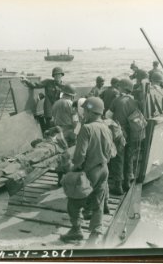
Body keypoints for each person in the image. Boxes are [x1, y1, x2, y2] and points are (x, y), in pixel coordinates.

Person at [60, 97, 113, 246]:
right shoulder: (106, 127)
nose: (83, 113)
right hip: (104, 169)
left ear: (90, 111)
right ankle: (95, 234)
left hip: (90, 171)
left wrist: (72, 168)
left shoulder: (87, 128)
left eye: (85, 111)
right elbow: (110, 152)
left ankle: (76, 230)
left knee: (74, 201)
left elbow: (79, 156)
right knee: (98, 201)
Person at [105, 79, 141, 195]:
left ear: (123, 88)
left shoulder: (117, 100)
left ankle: (118, 186)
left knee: (118, 158)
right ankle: (127, 182)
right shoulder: (134, 101)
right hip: (132, 133)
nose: (118, 88)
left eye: (119, 87)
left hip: (119, 132)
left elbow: (108, 115)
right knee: (129, 157)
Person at [21, 67, 65, 132]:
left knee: (58, 125)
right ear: (53, 76)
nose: (57, 76)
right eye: (55, 75)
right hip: (49, 108)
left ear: (61, 75)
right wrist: (27, 81)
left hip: (58, 109)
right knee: (49, 124)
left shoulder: (65, 86)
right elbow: (36, 85)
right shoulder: (48, 82)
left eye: (59, 74)